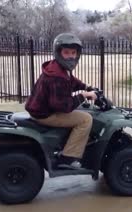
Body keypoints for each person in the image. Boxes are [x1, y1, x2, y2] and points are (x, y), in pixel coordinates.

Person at [25, 33, 97, 169]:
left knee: (81, 112)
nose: (70, 56)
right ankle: (67, 157)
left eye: (73, 52)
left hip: (41, 109)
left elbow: (71, 81)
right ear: (58, 53)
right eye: (66, 52)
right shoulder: (57, 76)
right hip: (45, 114)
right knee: (86, 119)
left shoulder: (59, 68)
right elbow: (64, 106)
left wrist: (85, 87)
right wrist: (83, 95)